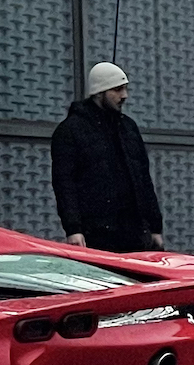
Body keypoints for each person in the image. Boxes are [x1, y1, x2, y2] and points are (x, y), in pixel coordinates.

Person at [51, 61, 164, 252]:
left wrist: (155, 227)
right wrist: (73, 229)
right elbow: (64, 184)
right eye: (118, 90)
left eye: (125, 89)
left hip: (136, 232)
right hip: (97, 234)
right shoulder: (71, 131)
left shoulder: (128, 128)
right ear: (99, 91)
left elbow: (143, 180)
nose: (124, 96)